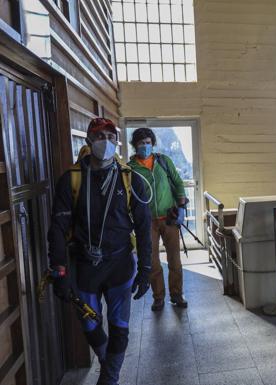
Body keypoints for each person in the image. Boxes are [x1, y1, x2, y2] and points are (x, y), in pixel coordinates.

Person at [48, 117, 152, 385]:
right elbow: (57, 228)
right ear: (88, 141)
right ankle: (110, 369)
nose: (106, 142)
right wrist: (58, 268)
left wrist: (146, 269)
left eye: (111, 136)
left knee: (119, 327)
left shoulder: (131, 180)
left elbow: (143, 228)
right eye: (99, 136)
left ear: (117, 141)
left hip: (120, 264)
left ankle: (109, 379)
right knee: (90, 326)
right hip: (84, 265)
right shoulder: (70, 180)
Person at [128, 128, 188, 311]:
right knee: (153, 262)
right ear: (134, 145)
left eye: (148, 142)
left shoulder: (163, 161)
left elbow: (177, 182)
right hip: (146, 222)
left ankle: (176, 294)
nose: (145, 146)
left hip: (169, 218)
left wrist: (182, 207)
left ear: (152, 143)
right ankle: (158, 297)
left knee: (175, 261)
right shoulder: (130, 169)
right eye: (141, 143)